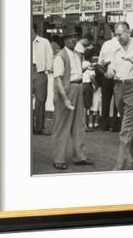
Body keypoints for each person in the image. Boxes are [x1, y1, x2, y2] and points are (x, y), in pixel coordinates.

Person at [104, 21, 133, 170]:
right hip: (118, 87)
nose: (117, 38)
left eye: (120, 34)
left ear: (128, 32)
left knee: (125, 127)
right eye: (115, 35)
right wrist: (105, 70)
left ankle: (120, 165)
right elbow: (111, 71)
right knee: (130, 125)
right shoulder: (115, 48)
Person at [51, 26, 93, 170]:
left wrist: (87, 68)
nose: (74, 39)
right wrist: (65, 99)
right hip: (67, 90)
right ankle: (59, 158)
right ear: (65, 39)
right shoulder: (60, 56)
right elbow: (57, 80)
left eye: (76, 36)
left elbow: (76, 72)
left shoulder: (76, 54)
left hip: (78, 88)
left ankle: (80, 156)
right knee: (62, 125)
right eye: (70, 37)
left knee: (79, 125)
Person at [32, 23, 53, 135]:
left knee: (40, 101)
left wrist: (47, 70)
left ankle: (39, 127)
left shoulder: (44, 42)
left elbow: (49, 56)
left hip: (39, 71)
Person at [98, 30, 120, 132]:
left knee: (105, 101)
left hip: (106, 75)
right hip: (118, 76)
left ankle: (104, 125)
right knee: (117, 102)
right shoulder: (122, 44)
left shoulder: (106, 44)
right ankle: (115, 125)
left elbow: (100, 62)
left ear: (111, 33)